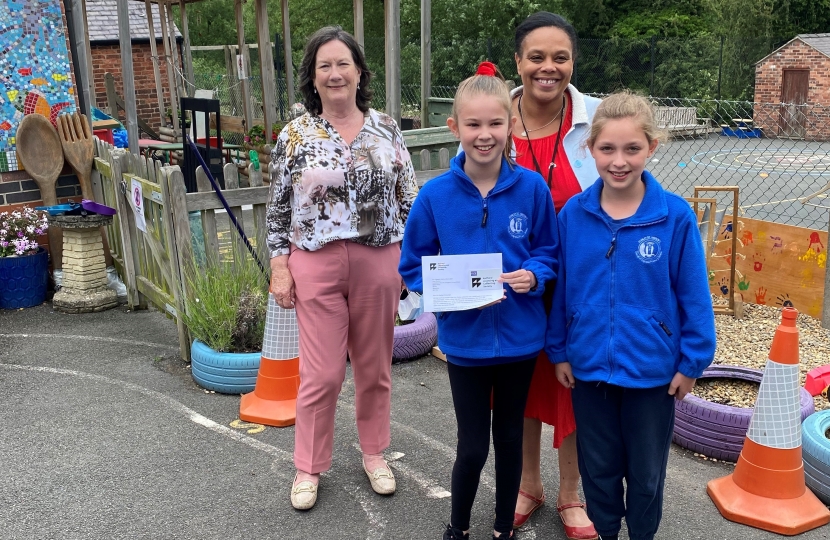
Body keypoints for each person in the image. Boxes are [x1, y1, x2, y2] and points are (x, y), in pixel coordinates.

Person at [399, 62, 559, 540]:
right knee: (472, 447)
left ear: (511, 125)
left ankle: (502, 529)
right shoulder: (435, 196)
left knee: (510, 439)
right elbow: (413, 265)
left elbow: (548, 251)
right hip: (465, 344)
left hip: (520, 342)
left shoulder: (532, 189)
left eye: (495, 123)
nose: (484, 135)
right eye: (473, 124)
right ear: (455, 128)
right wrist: (444, 293)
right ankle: (459, 527)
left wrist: (535, 275)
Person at [547, 91, 717, 540]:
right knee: (599, 472)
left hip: (652, 377)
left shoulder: (674, 217)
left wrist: (691, 362)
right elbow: (563, 291)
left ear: (652, 148)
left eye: (632, 149)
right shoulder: (574, 217)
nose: (618, 161)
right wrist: (560, 350)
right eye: (607, 149)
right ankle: (606, 533)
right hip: (588, 372)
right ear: (590, 149)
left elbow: (694, 296)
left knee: (645, 477)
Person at [266, 25, 419, 511]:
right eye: (324, 66)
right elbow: (278, 207)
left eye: (343, 64)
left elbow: (409, 196)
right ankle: (308, 466)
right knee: (323, 374)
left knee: (374, 368)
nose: (335, 74)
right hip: (316, 260)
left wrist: (410, 262)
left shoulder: (386, 127)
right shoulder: (295, 134)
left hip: (379, 258)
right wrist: (279, 265)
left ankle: (374, 453)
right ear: (313, 77)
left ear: (358, 72)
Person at [509, 12, 601, 539]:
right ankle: (528, 485)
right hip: (514, 286)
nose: (549, 67)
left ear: (572, 62)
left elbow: (623, 185)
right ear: (518, 62)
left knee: (572, 385)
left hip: (576, 285)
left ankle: (571, 494)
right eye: (537, 57)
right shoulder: (495, 116)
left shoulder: (594, 120)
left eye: (560, 57)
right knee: (518, 386)